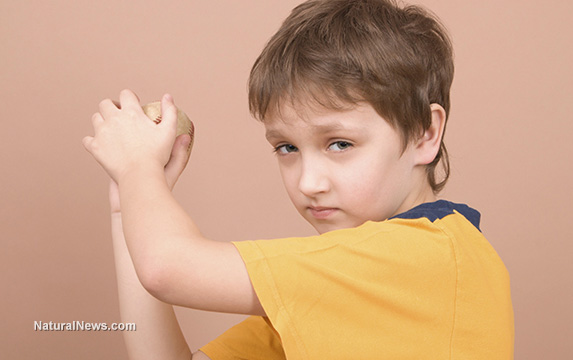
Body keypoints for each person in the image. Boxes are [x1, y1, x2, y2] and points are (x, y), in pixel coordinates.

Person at [82, 0, 514, 358]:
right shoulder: (335, 287)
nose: (308, 182)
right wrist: (127, 206)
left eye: (340, 144)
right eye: (286, 148)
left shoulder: (423, 256)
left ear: (426, 132)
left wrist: (139, 170)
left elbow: (167, 268)